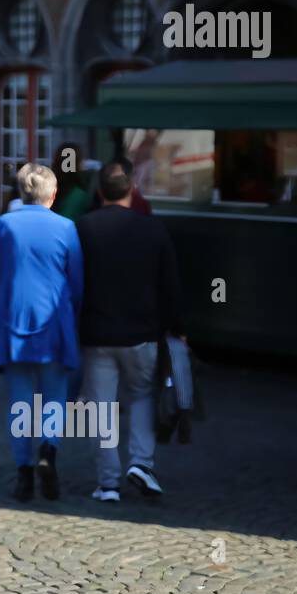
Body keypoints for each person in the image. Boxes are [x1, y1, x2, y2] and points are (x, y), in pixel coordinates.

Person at [0, 163, 83, 502]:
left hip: (11, 323)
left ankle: (24, 473)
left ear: (19, 192)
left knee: (20, 403)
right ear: (54, 194)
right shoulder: (67, 228)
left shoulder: (3, 226)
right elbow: (76, 284)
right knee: (54, 399)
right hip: (55, 326)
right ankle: (49, 452)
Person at [76, 161, 183, 502]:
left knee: (102, 407)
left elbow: (72, 282)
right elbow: (171, 285)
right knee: (141, 397)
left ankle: (108, 483)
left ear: (99, 191)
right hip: (142, 333)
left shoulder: (82, 228)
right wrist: (178, 328)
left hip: (97, 333)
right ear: (132, 190)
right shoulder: (153, 229)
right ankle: (141, 463)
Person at [51, 143, 92, 220]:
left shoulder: (48, 189)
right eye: (81, 160)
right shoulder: (79, 195)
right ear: (76, 164)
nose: (83, 164)